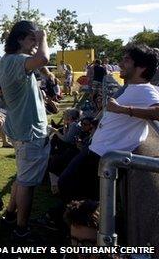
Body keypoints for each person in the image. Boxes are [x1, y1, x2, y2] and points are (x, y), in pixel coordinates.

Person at [58, 43, 159, 201]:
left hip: (104, 154)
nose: (120, 64)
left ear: (141, 67)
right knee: (73, 188)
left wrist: (122, 109)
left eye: (126, 60)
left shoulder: (145, 90)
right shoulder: (133, 87)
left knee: (69, 186)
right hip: (98, 149)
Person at [0, 20, 50, 242]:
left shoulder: (10, 61)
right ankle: (21, 229)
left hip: (21, 129)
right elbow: (43, 58)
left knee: (21, 178)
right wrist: (44, 37)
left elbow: (40, 64)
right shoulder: (17, 61)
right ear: (20, 39)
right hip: (29, 132)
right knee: (27, 184)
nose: (35, 43)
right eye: (31, 39)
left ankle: (10, 216)